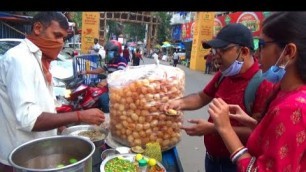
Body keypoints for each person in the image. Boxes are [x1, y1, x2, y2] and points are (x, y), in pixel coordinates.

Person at [0, 12, 105, 171]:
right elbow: (30, 119)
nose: (60, 43)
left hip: (40, 150)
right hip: (18, 158)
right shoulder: (19, 59)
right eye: (56, 35)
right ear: (37, 28)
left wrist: (62, 129)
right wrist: (79, 115)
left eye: (63, 38)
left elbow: (43, 106)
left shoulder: (41, 60)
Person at [162, 23, 274, 172]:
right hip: (211, 160)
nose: (216, 56)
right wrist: (178, 103)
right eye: (215, 50)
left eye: (222, 50)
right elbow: (202, 97)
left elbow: (259, 132)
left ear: (244, 51)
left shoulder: (262, 85)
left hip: (235, 165)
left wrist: (213, 128)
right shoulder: (224, 74)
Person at [208, 12, 306, 172]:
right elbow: (274, 137)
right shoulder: (283, 91)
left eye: (262, 44)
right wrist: (251, 122)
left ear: (288, 52)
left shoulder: (292, 108)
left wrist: (224, 129)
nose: (257, 53)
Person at [80, 40, 127, 113]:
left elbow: (119, 75)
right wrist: (87, 71)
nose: (107, 54)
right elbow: (100, 69)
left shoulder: (121, 61)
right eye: (107, 52)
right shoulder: (111, 62)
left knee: (103, 98)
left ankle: (108, 115)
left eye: (109, 52)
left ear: (116, 52)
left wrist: (106, 81)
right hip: (110, 87)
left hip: (117, 89)